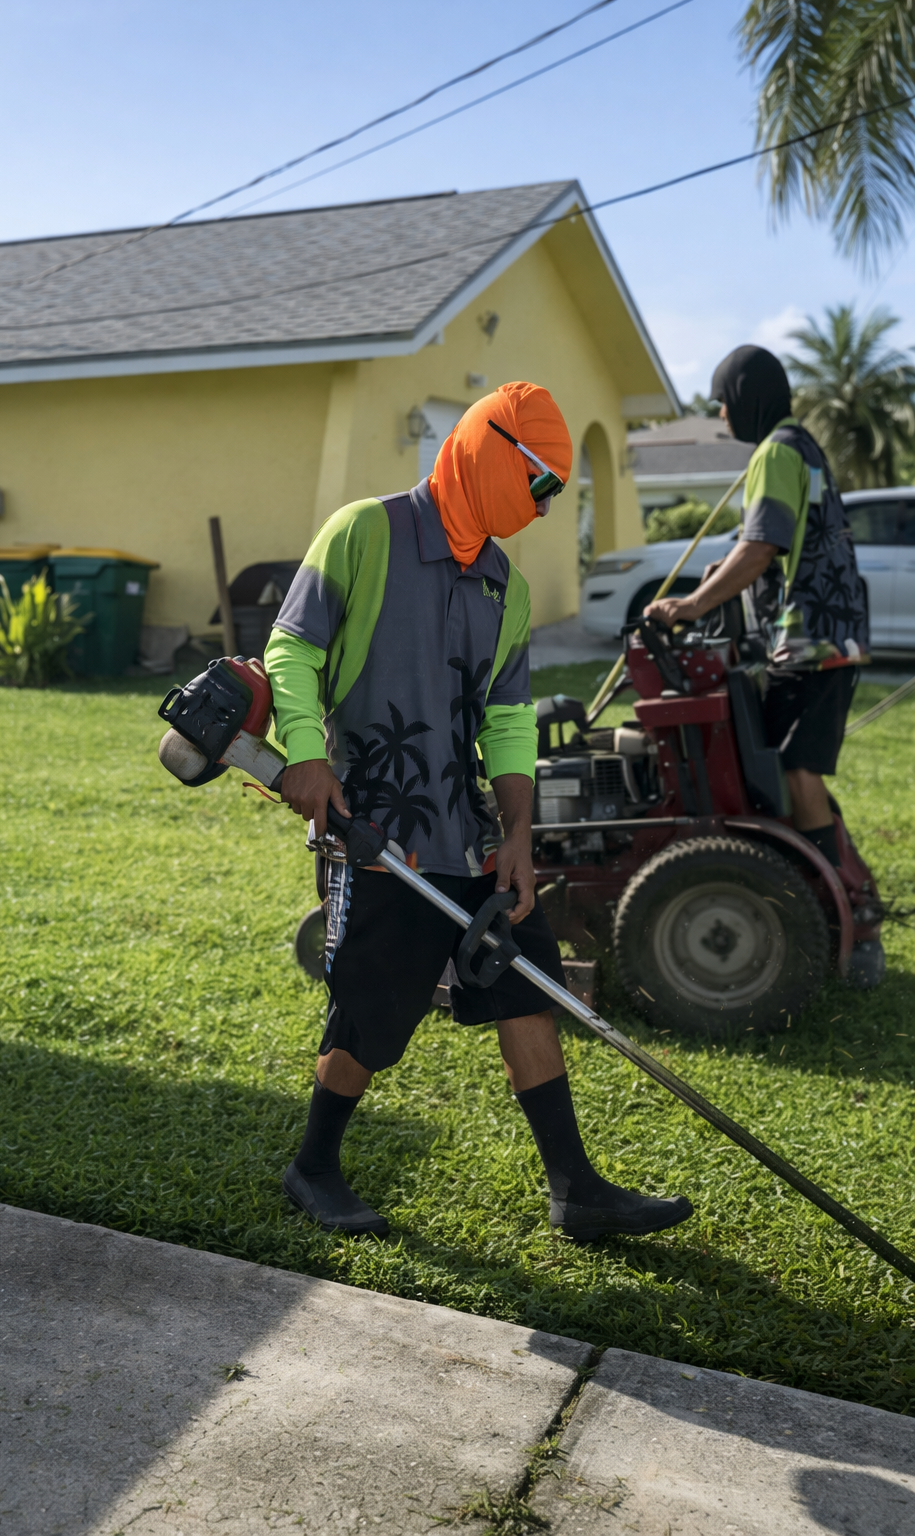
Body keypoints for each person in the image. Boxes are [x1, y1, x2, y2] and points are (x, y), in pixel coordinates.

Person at [264, 382, 693, 1241]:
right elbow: (293, 646)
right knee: (373, 1011)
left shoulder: (507, 587)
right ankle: (313, 1166)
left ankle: (575, 1190)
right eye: (540, 485)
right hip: (376, 830)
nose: (544, 507)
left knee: (525, 985)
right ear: (493, 450)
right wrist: (305, 752)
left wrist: (521, 835)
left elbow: (506, 721)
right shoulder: (365, 531)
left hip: (474, 835)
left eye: (555, 493)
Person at [645, 346, 869, 866]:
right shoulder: (804, 446)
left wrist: (691, 605)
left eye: (724, 401)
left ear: (748, 397)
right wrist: (724, 572)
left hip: (808, 641)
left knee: (796, 769)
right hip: (834, 633)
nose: (723, 414)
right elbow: (781, 543)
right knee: (795, 766)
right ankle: (842, 877)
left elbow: (761, 546)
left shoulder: (774, 453)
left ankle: (827, 895)